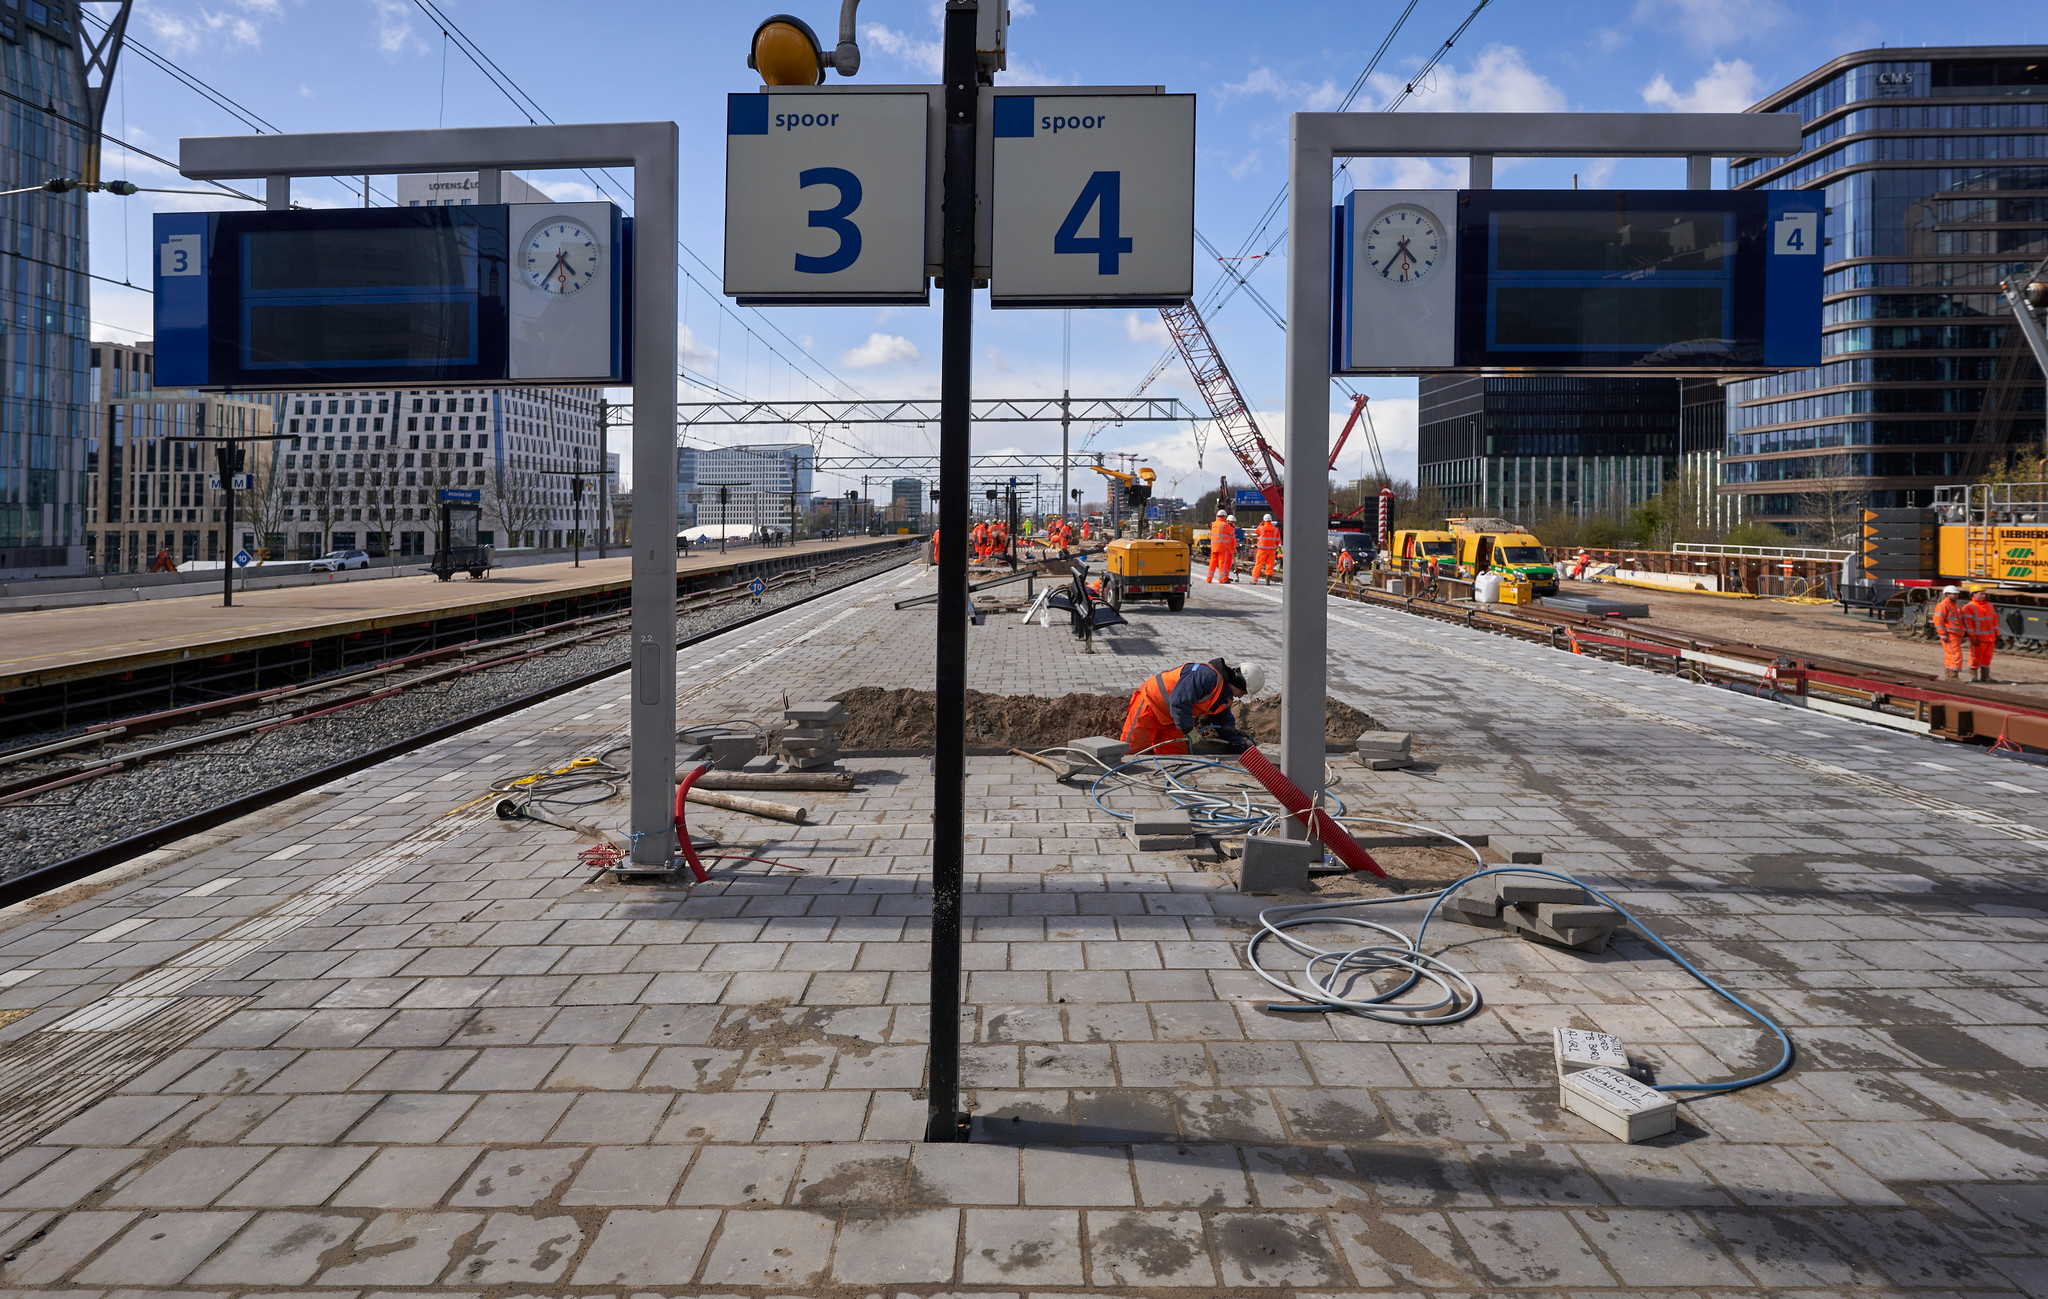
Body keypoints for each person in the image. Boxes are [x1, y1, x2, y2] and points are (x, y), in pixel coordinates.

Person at [1119, 658, 1264, 757]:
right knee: (1131, 753)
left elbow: (1224, 722)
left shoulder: (1224, 697)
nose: (1240, 697)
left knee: (1176, 758)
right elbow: (1179, 701)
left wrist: (1239, 745)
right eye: (1243, 693)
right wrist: (1188, 730)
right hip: (1150, 705)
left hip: (1173, 719)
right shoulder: (1206, 677)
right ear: (1239, 683)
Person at [1932, 585, 1967, 681]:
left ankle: (1948, 676)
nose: (1957, 596)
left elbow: (1960, 622)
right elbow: (1938, 620)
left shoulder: (1956, 606)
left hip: (1956, 635)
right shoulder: (1943, 605)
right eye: (1954, 594)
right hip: (1950, 634)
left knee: (1950, 655)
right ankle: (1953, 676)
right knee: (1955, 655)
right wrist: (1942, 633)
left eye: (1957, 594)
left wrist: (1963, 635)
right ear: (1947, 594)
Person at [1967, 588, 2000, 683]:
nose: (1984, 596)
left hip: (1990, 638)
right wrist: (1972, 636)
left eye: (1984, 594)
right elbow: (1968, 623)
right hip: (1979, 639)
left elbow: (1995, 620)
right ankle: (1973, 676)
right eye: (1981, 594)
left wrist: (1997, 633)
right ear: (1974, 594)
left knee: (1987, 658)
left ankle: (1985, 676)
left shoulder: (1989, 605)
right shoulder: (1970, 607)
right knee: (1975, 657)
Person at [1251, 514, 1281, 585]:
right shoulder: (1275, 530)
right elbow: (1278, 541)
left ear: (1264, 520)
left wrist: (1261, 523)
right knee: (1270, 566)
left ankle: (1254, 581)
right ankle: (1267, 581)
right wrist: (1275, 547)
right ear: (1271, 520)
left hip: (1262, 550)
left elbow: (1256, 531)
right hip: (1271, 550)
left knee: (1258, 565)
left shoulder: (1261, 528)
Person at [1206, 512, 1236, 583]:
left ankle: (1209, 579)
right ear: (1223, 516)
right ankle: (1222, 579)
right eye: (1225, 517)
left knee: (1212, 563)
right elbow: (1232, 531)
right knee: (1222, 563)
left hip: (1214, 547)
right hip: (1223, 547)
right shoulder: (1224, 524)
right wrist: (1230, 525)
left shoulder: (1213, 524)